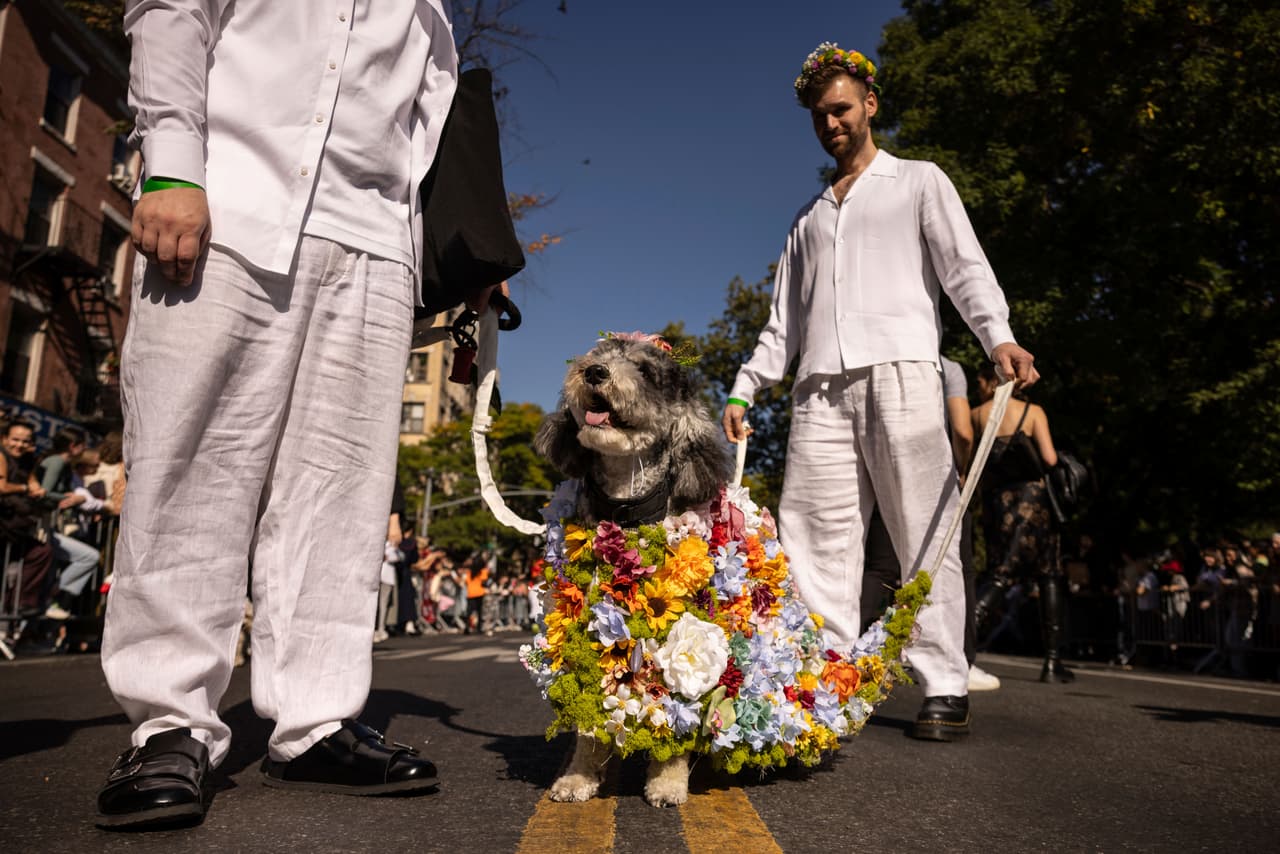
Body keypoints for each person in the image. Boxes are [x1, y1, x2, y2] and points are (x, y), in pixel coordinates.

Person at [96, 0, 471, 830]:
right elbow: (171, 12)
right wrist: (171, 161)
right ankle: (169, 724)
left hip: (376, 245)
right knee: (191, 467)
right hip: (228, 204)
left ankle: (315, 719)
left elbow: (423, 119)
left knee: (342, 488)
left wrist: (454, 255)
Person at [722, 43, 1039, 741]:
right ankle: (831, 679)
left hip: (902, 373)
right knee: (814, 538)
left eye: (840, 108)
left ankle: (944, 682)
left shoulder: (919, 181)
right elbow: (784, 323)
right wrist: (745, 390)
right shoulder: (806, 220)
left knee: (922, 527)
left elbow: (965, 268)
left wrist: (998, 338)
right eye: (818, 115)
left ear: (869, 104)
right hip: (820, 391)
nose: (830, 122)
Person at [859, 357, 1000, 691]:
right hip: (934, 479)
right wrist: (960, 470)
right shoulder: (947, 367)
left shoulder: (873, 363)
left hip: (882, 472)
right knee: (955, 566)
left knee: (880, 570)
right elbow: (963, 431)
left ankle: (843, 657)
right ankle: (959, 665)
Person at [971, 364, 1074, 682]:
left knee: (1000, 570)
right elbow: (1050, 459)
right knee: (1049, 574)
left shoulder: (977, 414)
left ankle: (962, 637)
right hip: (1033, 501)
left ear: (989, 381)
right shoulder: (1032, 412)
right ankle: (1053, 662)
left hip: (997, 501)